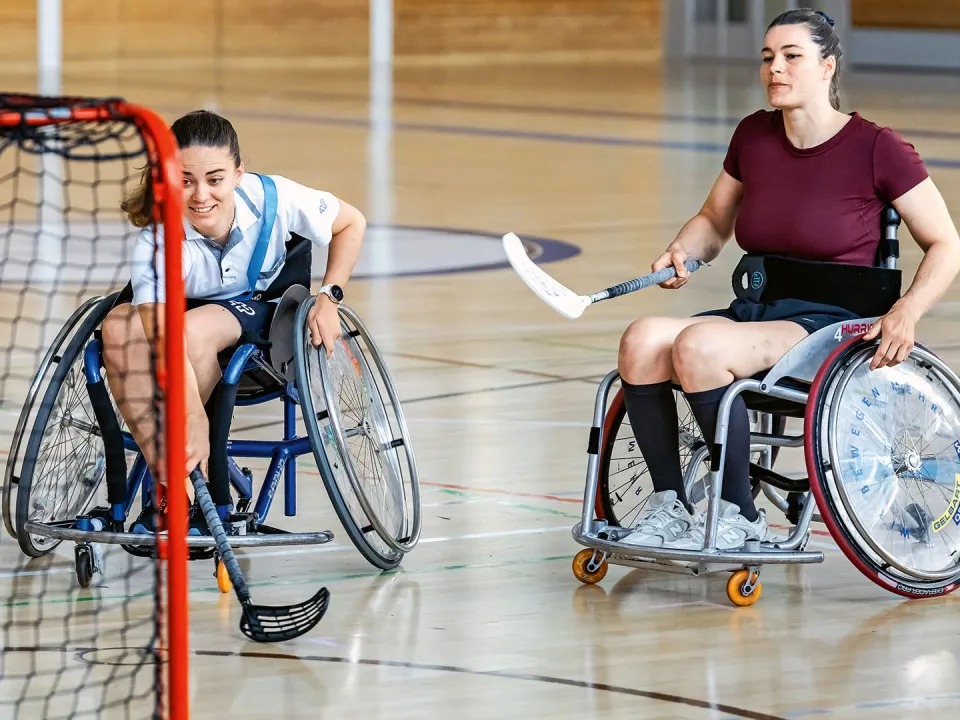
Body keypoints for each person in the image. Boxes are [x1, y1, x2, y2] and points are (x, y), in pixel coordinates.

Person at [617, 9, 960, 551]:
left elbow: (946, 244)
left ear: (827, 66)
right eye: (768, 57)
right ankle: (671, 507)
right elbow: (714, 221)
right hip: (761, 308)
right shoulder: (753, 135)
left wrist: (907, 312)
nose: (775, 68)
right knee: (640, 340)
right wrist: (684, 249)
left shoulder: (877, 147)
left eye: (791, 56)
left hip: (833, 324)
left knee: (700, 347)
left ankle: (740, 516)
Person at [103, 109, 366, 512]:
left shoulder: (275, 198)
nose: (200, 195)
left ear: (238, 174)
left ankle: (193, 468)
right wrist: (189, 415)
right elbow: (161, 339)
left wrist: (329, 297)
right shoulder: (156, 241)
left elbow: (352, 223)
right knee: (118, 326)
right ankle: (174, 476)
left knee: (192, 330)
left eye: (214, 179)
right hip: (184, 314)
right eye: (185, 180)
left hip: (263, 308)